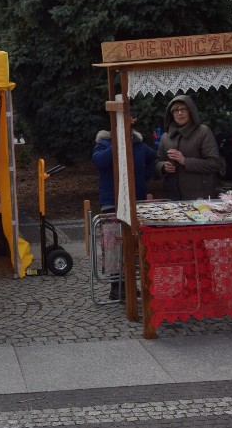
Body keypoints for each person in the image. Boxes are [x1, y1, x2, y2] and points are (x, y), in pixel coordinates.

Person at [92, 114, 156, 299]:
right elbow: (100, 161)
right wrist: (118, 142)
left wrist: (145, 177)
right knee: (113, 244)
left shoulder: (139, 145)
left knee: (134, 244)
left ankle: (130, 283)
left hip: (135, 200)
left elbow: (152, 157)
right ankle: (116, 286)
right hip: (112, 201)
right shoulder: (104, 142)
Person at [154, 95, 224, 200]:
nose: (179, 113)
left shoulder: (203, 132)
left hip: (200, 197)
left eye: (183, 109)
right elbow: (157, 162)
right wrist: (164, 167)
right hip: (172, 197)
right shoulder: (165, 136)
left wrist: (185, 161)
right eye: (175, 110)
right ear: (171, 114)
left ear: (191, 111)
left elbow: (214, 164)